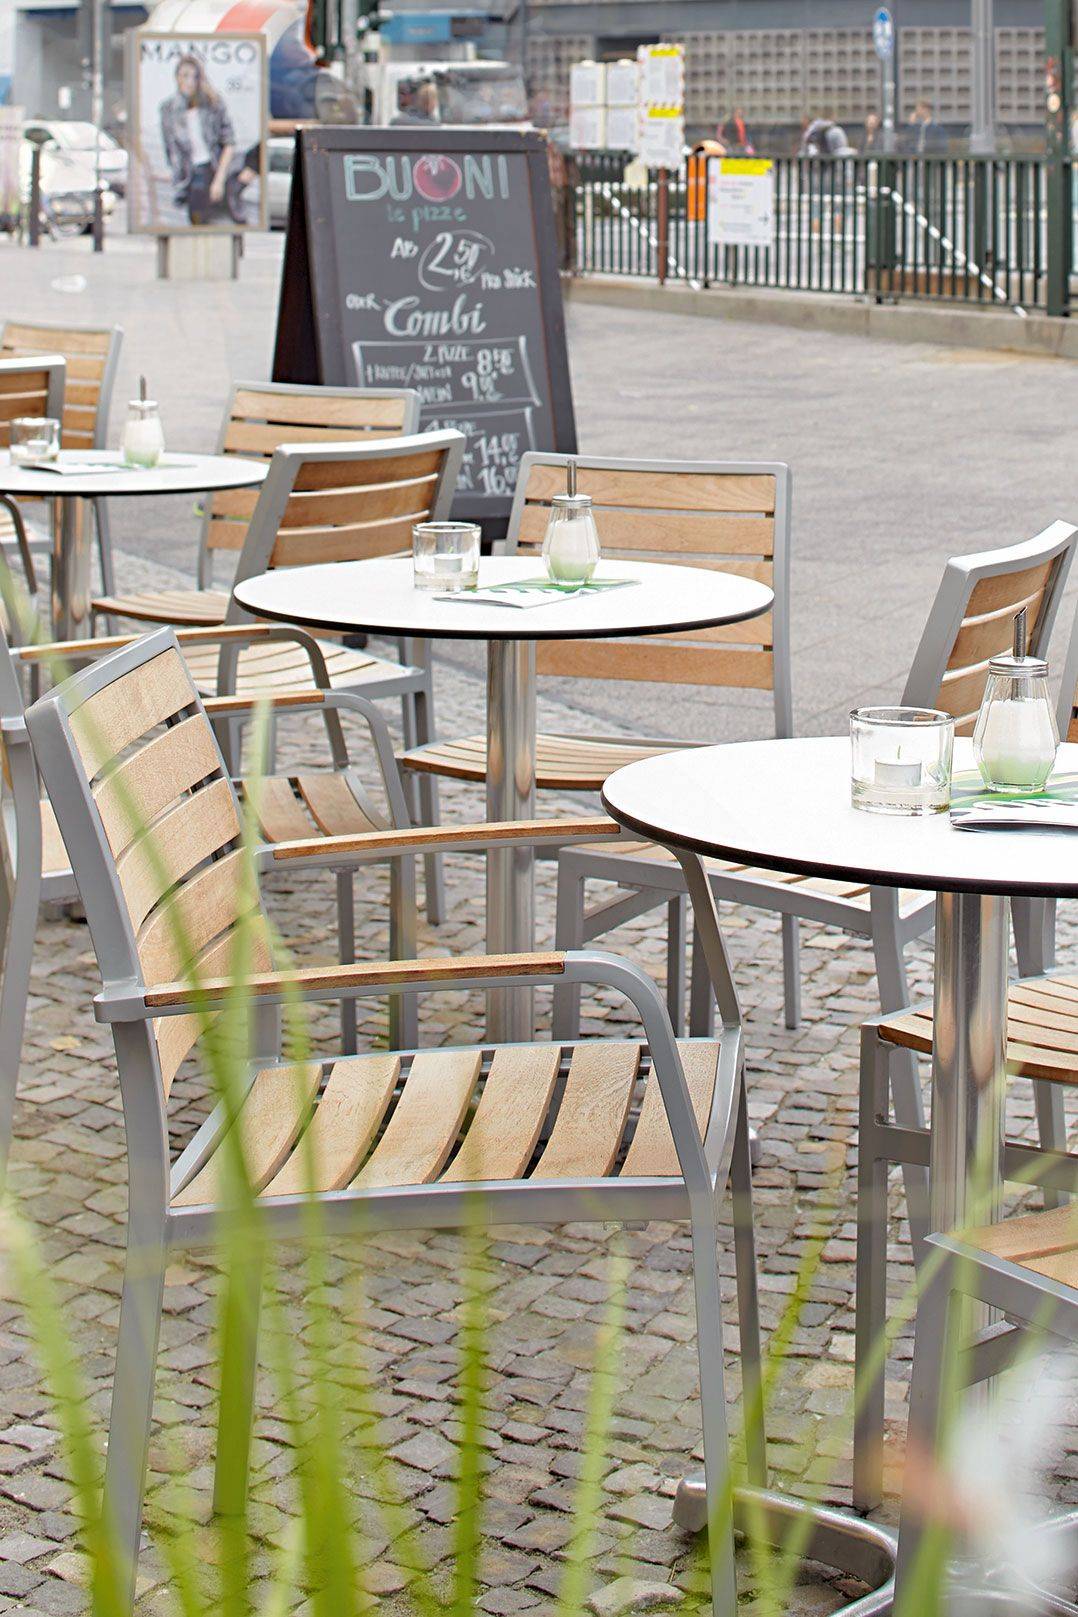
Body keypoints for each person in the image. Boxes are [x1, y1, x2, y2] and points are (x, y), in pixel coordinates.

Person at [159, 54, 237, 227]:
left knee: (202, 218)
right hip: (185, 174)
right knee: (195, 219)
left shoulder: (213, 104)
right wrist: (173, 173)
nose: (190, 81)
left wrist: (219, 179)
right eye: (185, 75)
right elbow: (169, 147)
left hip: (209, 169)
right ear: (177, 77)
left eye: (194, 76)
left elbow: (229, 143)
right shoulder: (168, 109)